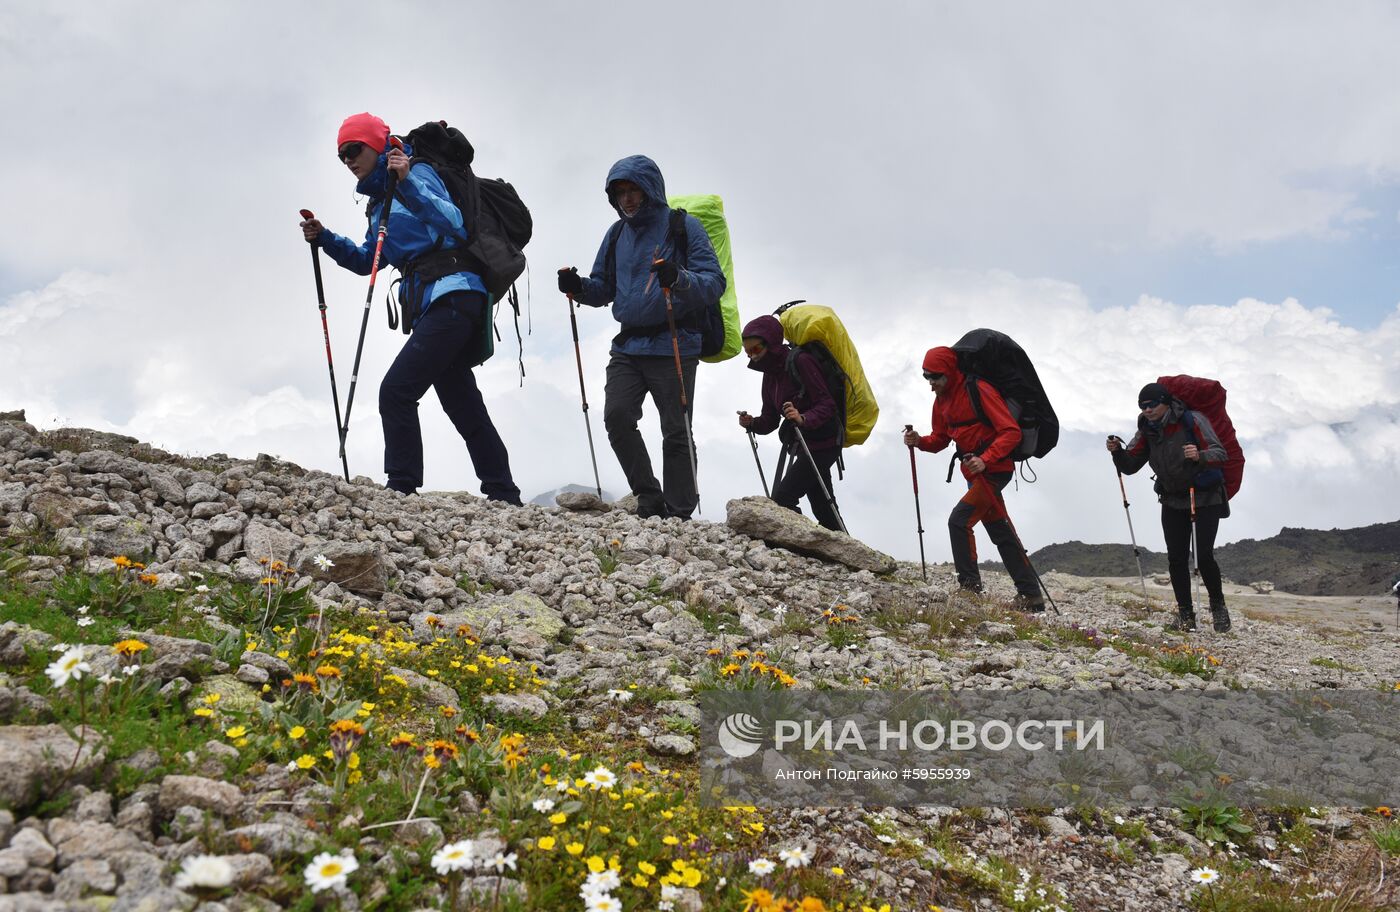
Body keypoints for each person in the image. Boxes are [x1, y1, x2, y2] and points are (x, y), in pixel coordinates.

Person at [299, 113, 521, 504]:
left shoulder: (413, 173)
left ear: (377, 145)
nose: (349, 160)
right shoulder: (376, 203)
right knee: (461, 401)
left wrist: (406, 184)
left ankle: (401, 486)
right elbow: (369, 259)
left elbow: (455, 222)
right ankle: (504, 492)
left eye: (355, 149)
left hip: (456, 294)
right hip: (435, 304)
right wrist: (326, 239)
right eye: (342, 156)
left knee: (396, 391)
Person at [557, 155, 725, 520]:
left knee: (676, 430)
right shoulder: (616, 234)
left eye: (634, 190)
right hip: (629, 345)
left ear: (650, 190)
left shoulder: (683, 226)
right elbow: (603, 289)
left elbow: (714, 282)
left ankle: (679, 513)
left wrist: (679, 279)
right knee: (617, 416)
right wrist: (578, 288)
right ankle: (649, 497)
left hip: (675, 342)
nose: (628, 199)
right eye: (620, 192)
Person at [903, 347, 1045, 611]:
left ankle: (970, 591)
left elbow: (1011, 432)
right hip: (974, 473)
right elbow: (940, 439)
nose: (931, 383)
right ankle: (1031, 596)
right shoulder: (941, 401)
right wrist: (919, 441)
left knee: (959, 521)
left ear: (949, 372)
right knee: (1001, 531)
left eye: (935, 377)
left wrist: (986, 459)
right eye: (927, 377)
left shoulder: (979, 390)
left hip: (995, 470)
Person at [1106, 382, 1232, 632]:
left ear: (1166, 402)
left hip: (1204, 496)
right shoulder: (1146, 429)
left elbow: (1221, 453)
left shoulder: (1192, 420)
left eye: (1152, 405)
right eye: (1142, 406)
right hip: (1172, 498)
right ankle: (1186, 615)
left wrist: (1199, 455)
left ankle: (1218, 608)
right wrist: (1118, 452)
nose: (1147, 410)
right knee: (1176, 558)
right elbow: (1131, 465)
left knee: (1203, 556)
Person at [736, 315, 842, 531]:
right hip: (805, 445)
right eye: (748, 352)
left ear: (771, 343)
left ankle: (801, 544)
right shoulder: (769, 373)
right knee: (824, 507)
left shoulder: (801, 360)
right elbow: (770, 420)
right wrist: (752, 423)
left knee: (783, 497)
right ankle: (845, 554)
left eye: (755, 350)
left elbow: (827, 404)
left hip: (825, 441)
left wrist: (803, 418)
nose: (752, 356)